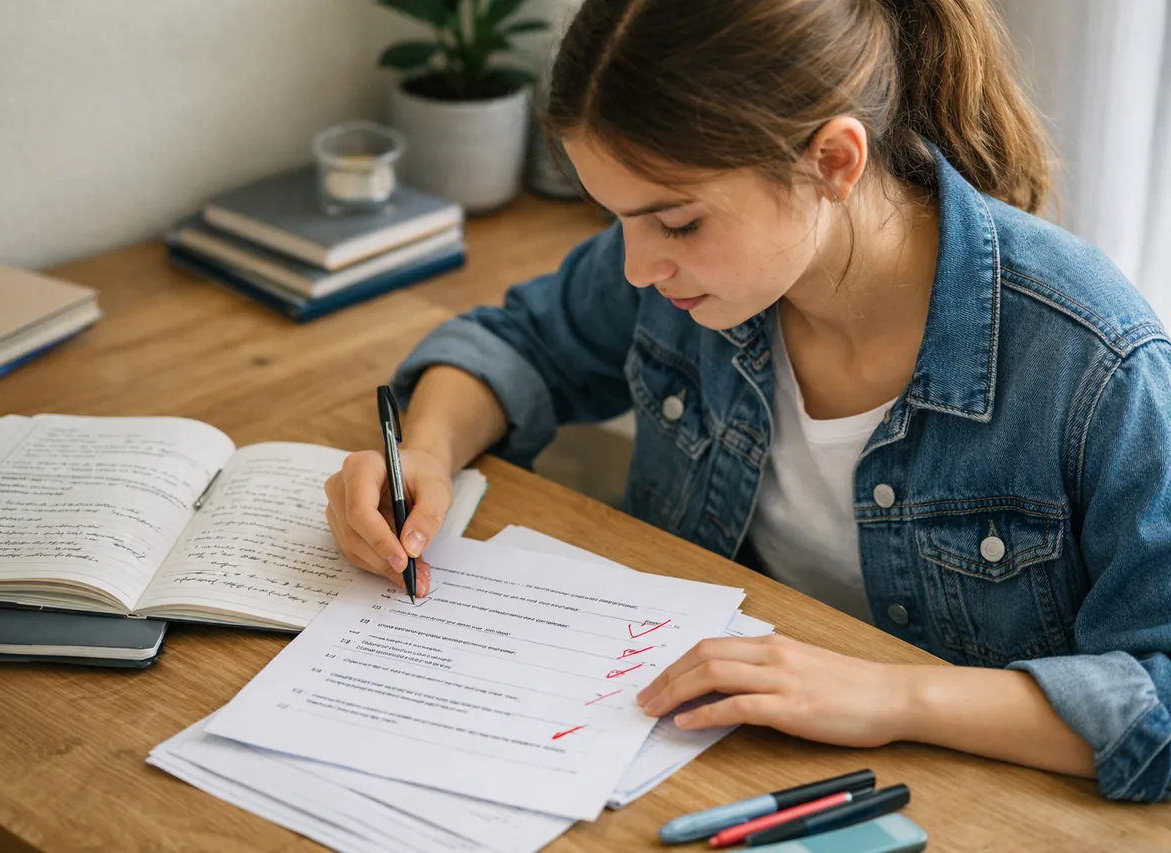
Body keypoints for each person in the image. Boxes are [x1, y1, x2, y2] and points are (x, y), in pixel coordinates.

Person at [324, 0, 1171, 802]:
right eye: (617, 217)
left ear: (833, 162)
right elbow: (520, 342)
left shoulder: (1097, 364)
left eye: (678, 223)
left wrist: (895, 696)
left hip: (963, 804)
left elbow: (1159, 700)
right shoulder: (685, 280)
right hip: (692, 758)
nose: (636, 266)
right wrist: (428, 451)